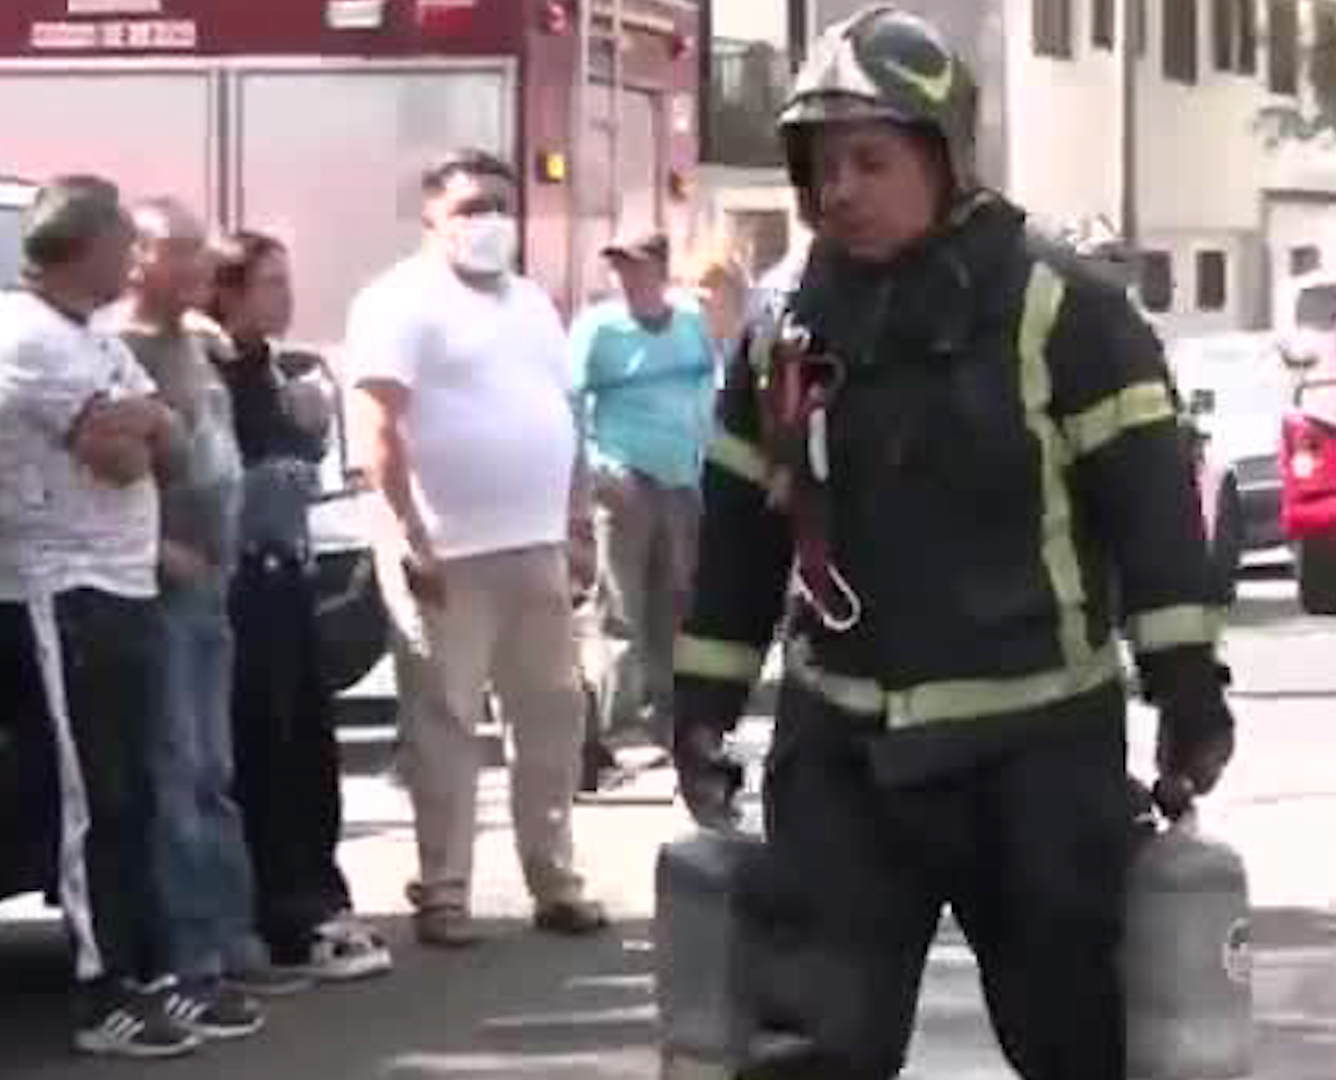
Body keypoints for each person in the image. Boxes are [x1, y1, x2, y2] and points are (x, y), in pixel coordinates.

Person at [670, 8, 1235, 1080]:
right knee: (811, 1051)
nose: (839, 191)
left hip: (1036, 755)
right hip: (841, 755)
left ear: (945, 157)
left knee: (1081, 1046)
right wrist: (701, 703)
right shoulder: (783, 327)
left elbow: (1155, 522)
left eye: (870, 161)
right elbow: (739, 539)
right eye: (822, 167)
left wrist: (1188, 695)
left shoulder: (1065, 312)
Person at [345, 148, 606, 947]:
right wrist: (407, 536)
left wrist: (577, 523)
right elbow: (378, 426)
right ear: (432, 215)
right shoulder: (398, 302)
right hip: (446, 553)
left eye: (500, 203)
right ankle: (445, 893)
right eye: (469, 207)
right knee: (447, 726)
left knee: (552, 720)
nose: (488, 220)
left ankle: (554, 880)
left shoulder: (530, 302)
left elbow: (561, 417)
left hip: (535, 547)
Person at [0, 175, 198, 1057]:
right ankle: (100, 990)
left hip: (125, 584)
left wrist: (148, 418)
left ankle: (150, 971)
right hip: (61, 588)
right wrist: (146, 425)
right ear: (83, 249)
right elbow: (118, 458)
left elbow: (175, 440)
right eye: (125, 242)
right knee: (92, 796)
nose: (134, 257)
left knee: (136, 786)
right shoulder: (26, 337)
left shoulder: (98, 341)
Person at [108, 198, 315, 1037]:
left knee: (212, 773)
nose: (201, 269)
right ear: (137, 260)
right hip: (158, 592)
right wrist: (160, 547)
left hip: (216, 590)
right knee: (176, 774)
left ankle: (229, 941)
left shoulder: (196, 347)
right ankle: (188, 959)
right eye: (182, 253)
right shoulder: (117, 352)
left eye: (200, 253)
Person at [207, 229, 394, 980]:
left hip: (289, 576)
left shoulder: (275, 373)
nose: (284, 297)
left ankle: (317, 896)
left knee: (306, 740)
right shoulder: (204, 369)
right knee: (259, 741)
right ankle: (277, 912)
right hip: (234, 584)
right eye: (268, 283)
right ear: (225, 290)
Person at [570, 231, 717, 758]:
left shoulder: (691, 326)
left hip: (681, 483)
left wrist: (706, 464)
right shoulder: (598, 329)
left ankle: (668, 718)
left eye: (635, 266)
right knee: (619, 607)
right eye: (618, 268)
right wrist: (590, 474)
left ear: (659, 269)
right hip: (623, 482)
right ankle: (619, 723)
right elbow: (571, 401)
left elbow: (710, 392)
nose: (625, 278)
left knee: (676, 602)